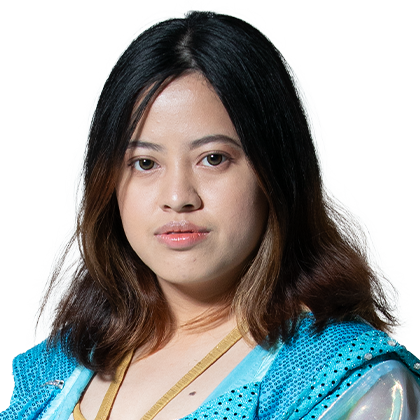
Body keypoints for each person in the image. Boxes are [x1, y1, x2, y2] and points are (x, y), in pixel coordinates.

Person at [2, 9, 420, 420]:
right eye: (145, 163)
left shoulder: (349, 383)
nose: (178, 197)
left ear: (276, 173)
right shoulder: (58, 367)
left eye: (213, 158)